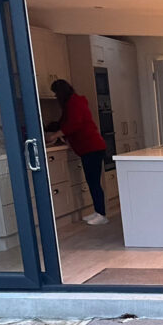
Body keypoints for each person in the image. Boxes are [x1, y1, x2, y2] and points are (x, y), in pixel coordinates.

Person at [45, 79, 109, 226]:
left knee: (93, 182)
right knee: (92, 181)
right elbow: (65, 123)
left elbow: (74, 124)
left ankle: (101, 214)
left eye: (55, 94)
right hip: (92, 147)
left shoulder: (74, 103)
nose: (55, 97)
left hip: (91, 147)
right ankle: (98, 211)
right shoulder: (73, 103)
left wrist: (54, 135)